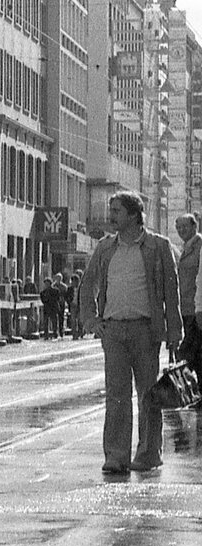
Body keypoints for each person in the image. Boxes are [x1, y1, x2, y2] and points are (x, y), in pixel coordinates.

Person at [80, 191, 182, 475]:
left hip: (145, 331)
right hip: (113, 331)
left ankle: (148, 454)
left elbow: (170, 293)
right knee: (116, 396)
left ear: (134, 215)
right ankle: (116, 456)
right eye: (111, 210)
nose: (111, 216)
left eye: (116, 211)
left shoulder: (157, 246)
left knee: (148, 394)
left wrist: (175, 330)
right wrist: (91, 320)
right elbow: (87, 286)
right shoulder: (105, 248)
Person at [175, 213, 201, 374]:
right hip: (186, 309)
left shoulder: (199, 246)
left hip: (196, 309)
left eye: (185, 226)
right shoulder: (185, 248)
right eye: (178, 227)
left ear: (194, 226)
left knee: (189, 353)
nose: (181, 230)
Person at [67, 271, 83, 339]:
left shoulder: (81, 288)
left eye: (75, 281)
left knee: (80, 320)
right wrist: (69, 302)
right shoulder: (70, 289)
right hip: (73, 305)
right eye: (72, 281)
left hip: (80, 305)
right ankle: (74, 334)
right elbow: (67, 296)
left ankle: (80, 332)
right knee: (73, 320)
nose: (74, 283)